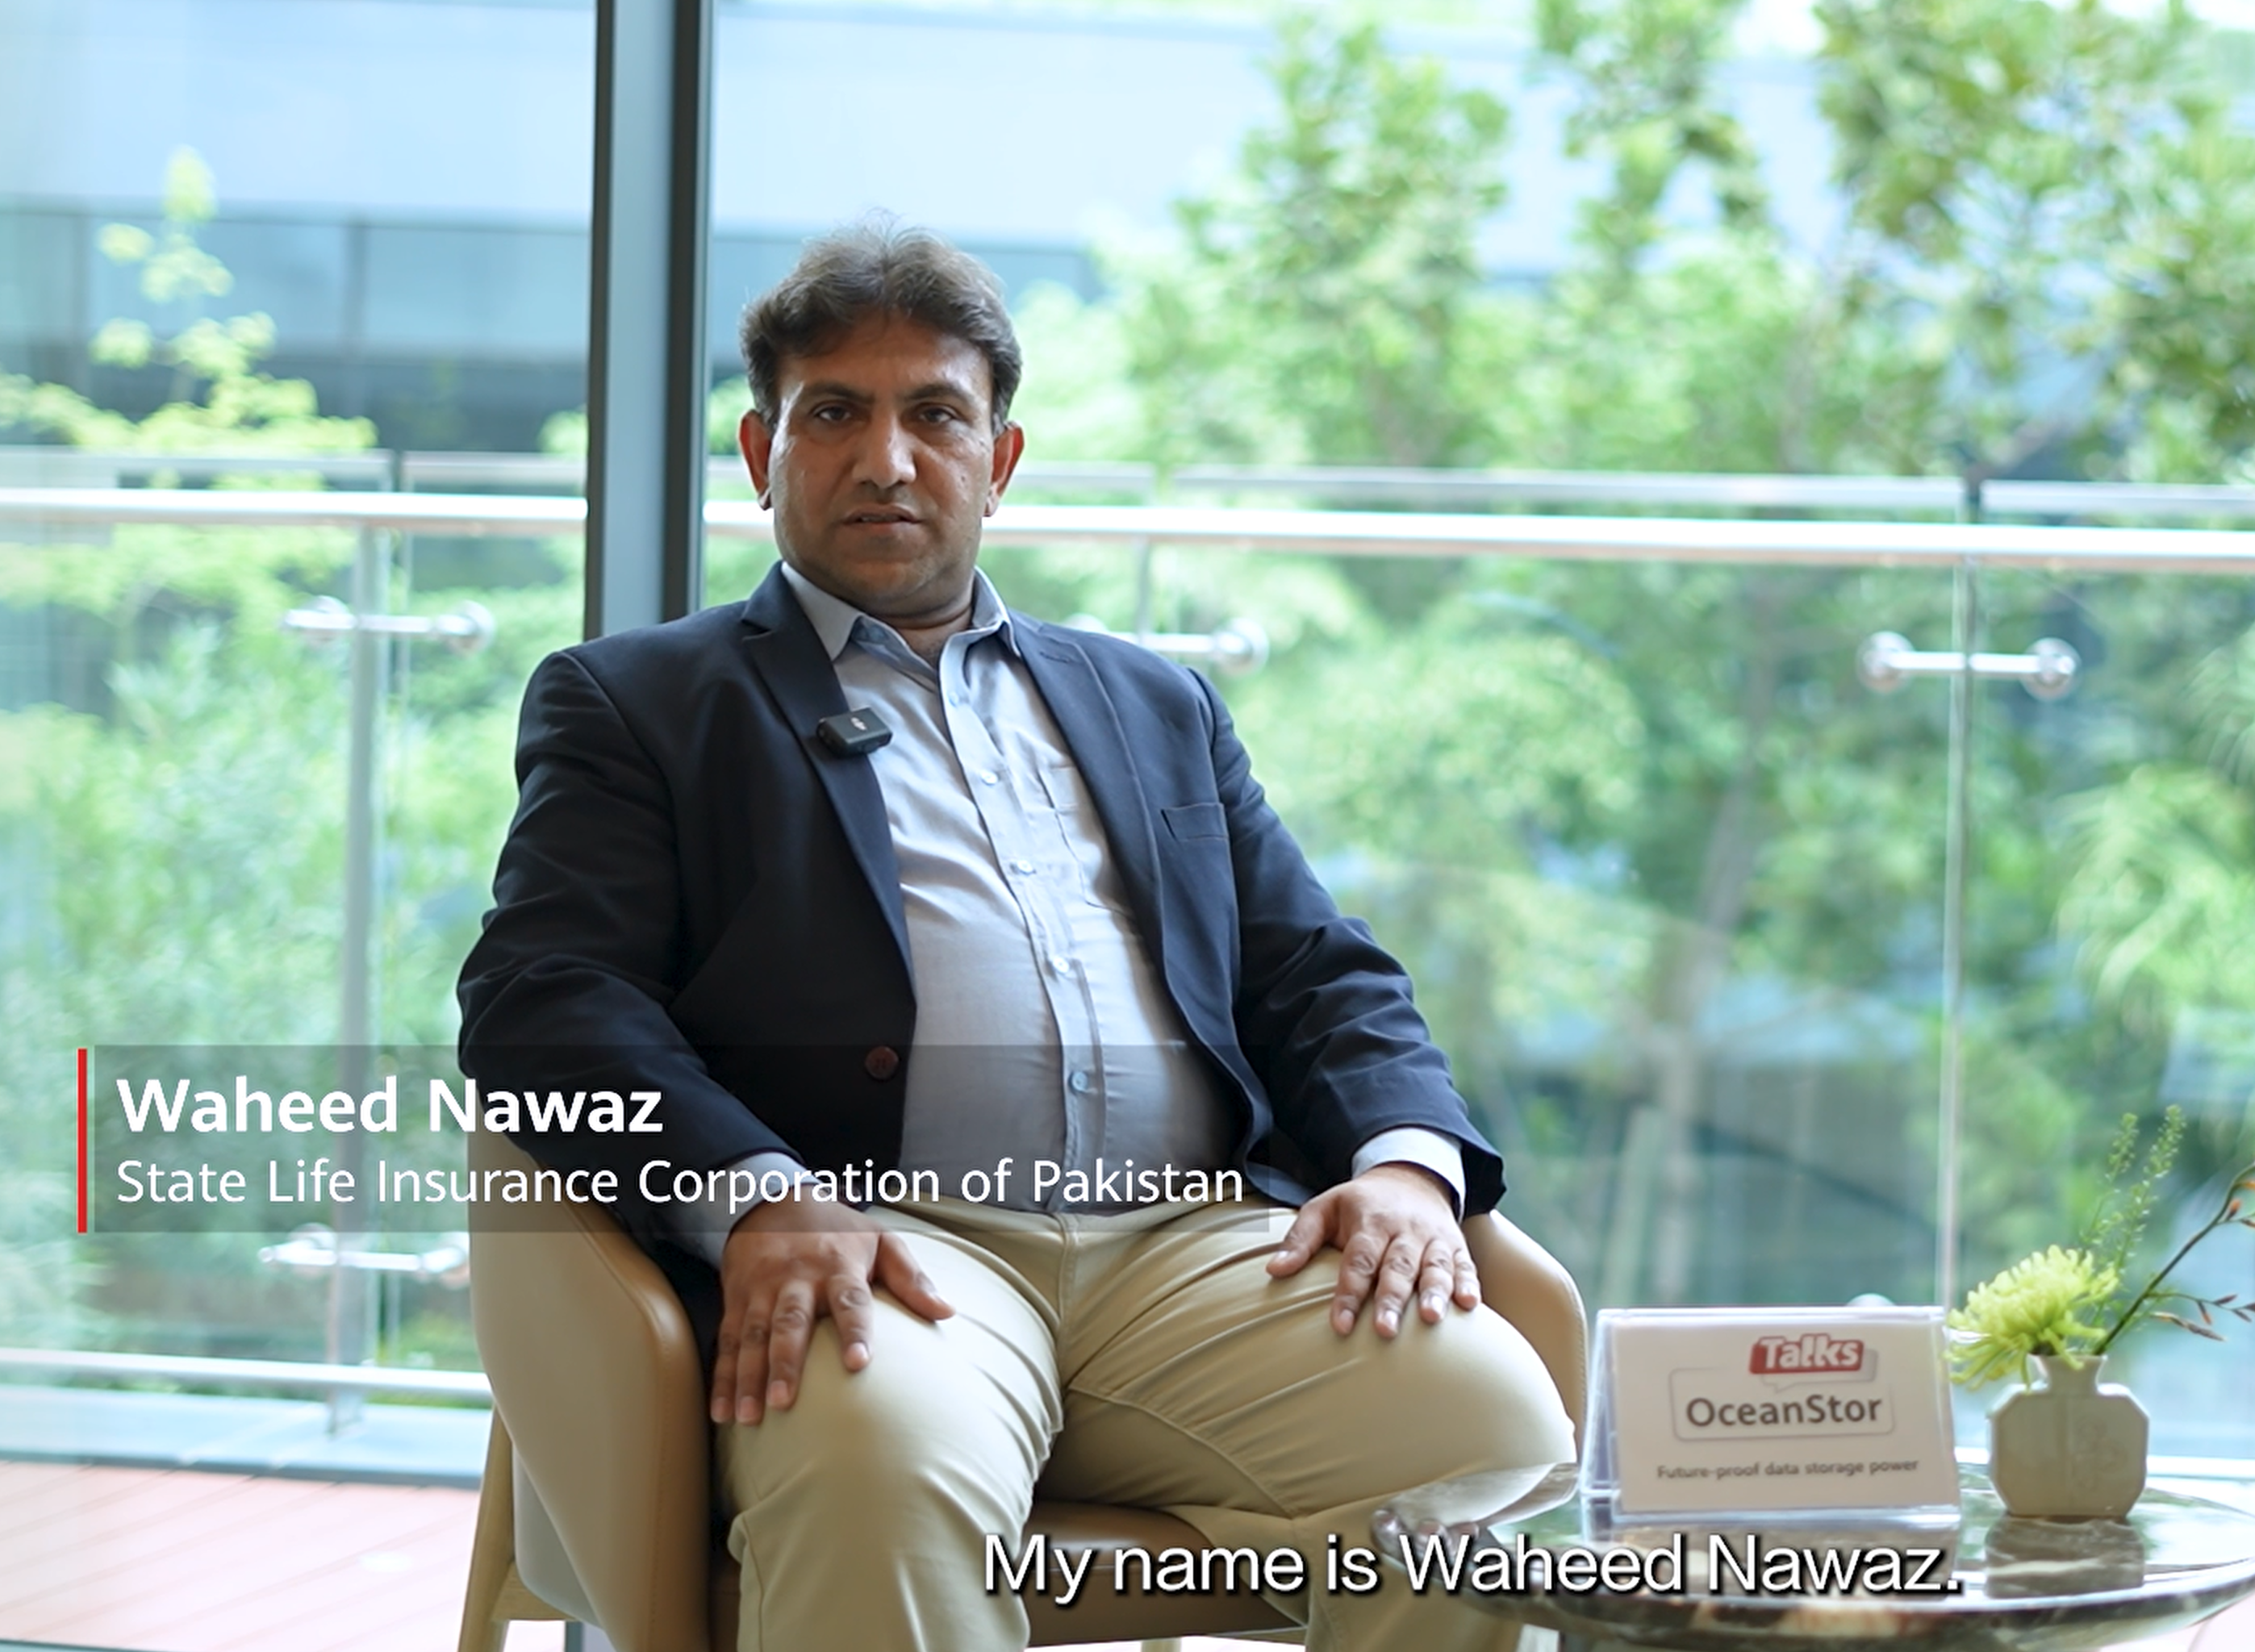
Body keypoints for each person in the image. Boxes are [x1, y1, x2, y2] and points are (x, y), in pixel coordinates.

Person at [457, 219, 1572, 1650]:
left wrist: (1405, 1166)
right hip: (883, 1245)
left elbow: (1315, 969)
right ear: (759, 454)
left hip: (1192, 1251)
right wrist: (759, 1196)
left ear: (1000, 458)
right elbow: (546, 997)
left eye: (935, 415)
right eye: (834, 415)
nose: (885, 459)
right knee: (880, 1474)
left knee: (1483, 1428)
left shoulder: (1151, 699)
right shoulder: (641, 703)